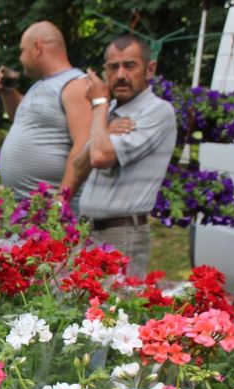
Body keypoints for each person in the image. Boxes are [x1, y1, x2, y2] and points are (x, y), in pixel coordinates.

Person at [73, 34, 177, 278]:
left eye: (130, 66)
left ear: (149, 69)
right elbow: (78, 167)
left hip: (122, 235)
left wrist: (99, 103)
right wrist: (106, 128)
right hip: (89, 231)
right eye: (113, 67)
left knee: (113, 314)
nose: (120, 75)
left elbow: (99, 157)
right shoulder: (109, 113)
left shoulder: (157, 111)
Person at [0, 21, 92, 214]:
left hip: (52, 213)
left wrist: (61, 202)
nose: (20, 58)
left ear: (38, 47)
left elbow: (84, 146)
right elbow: (19, 117)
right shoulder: (40, 85)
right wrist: (7, 89)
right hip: (27, 209)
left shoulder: (76, 85)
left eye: (23, 51)